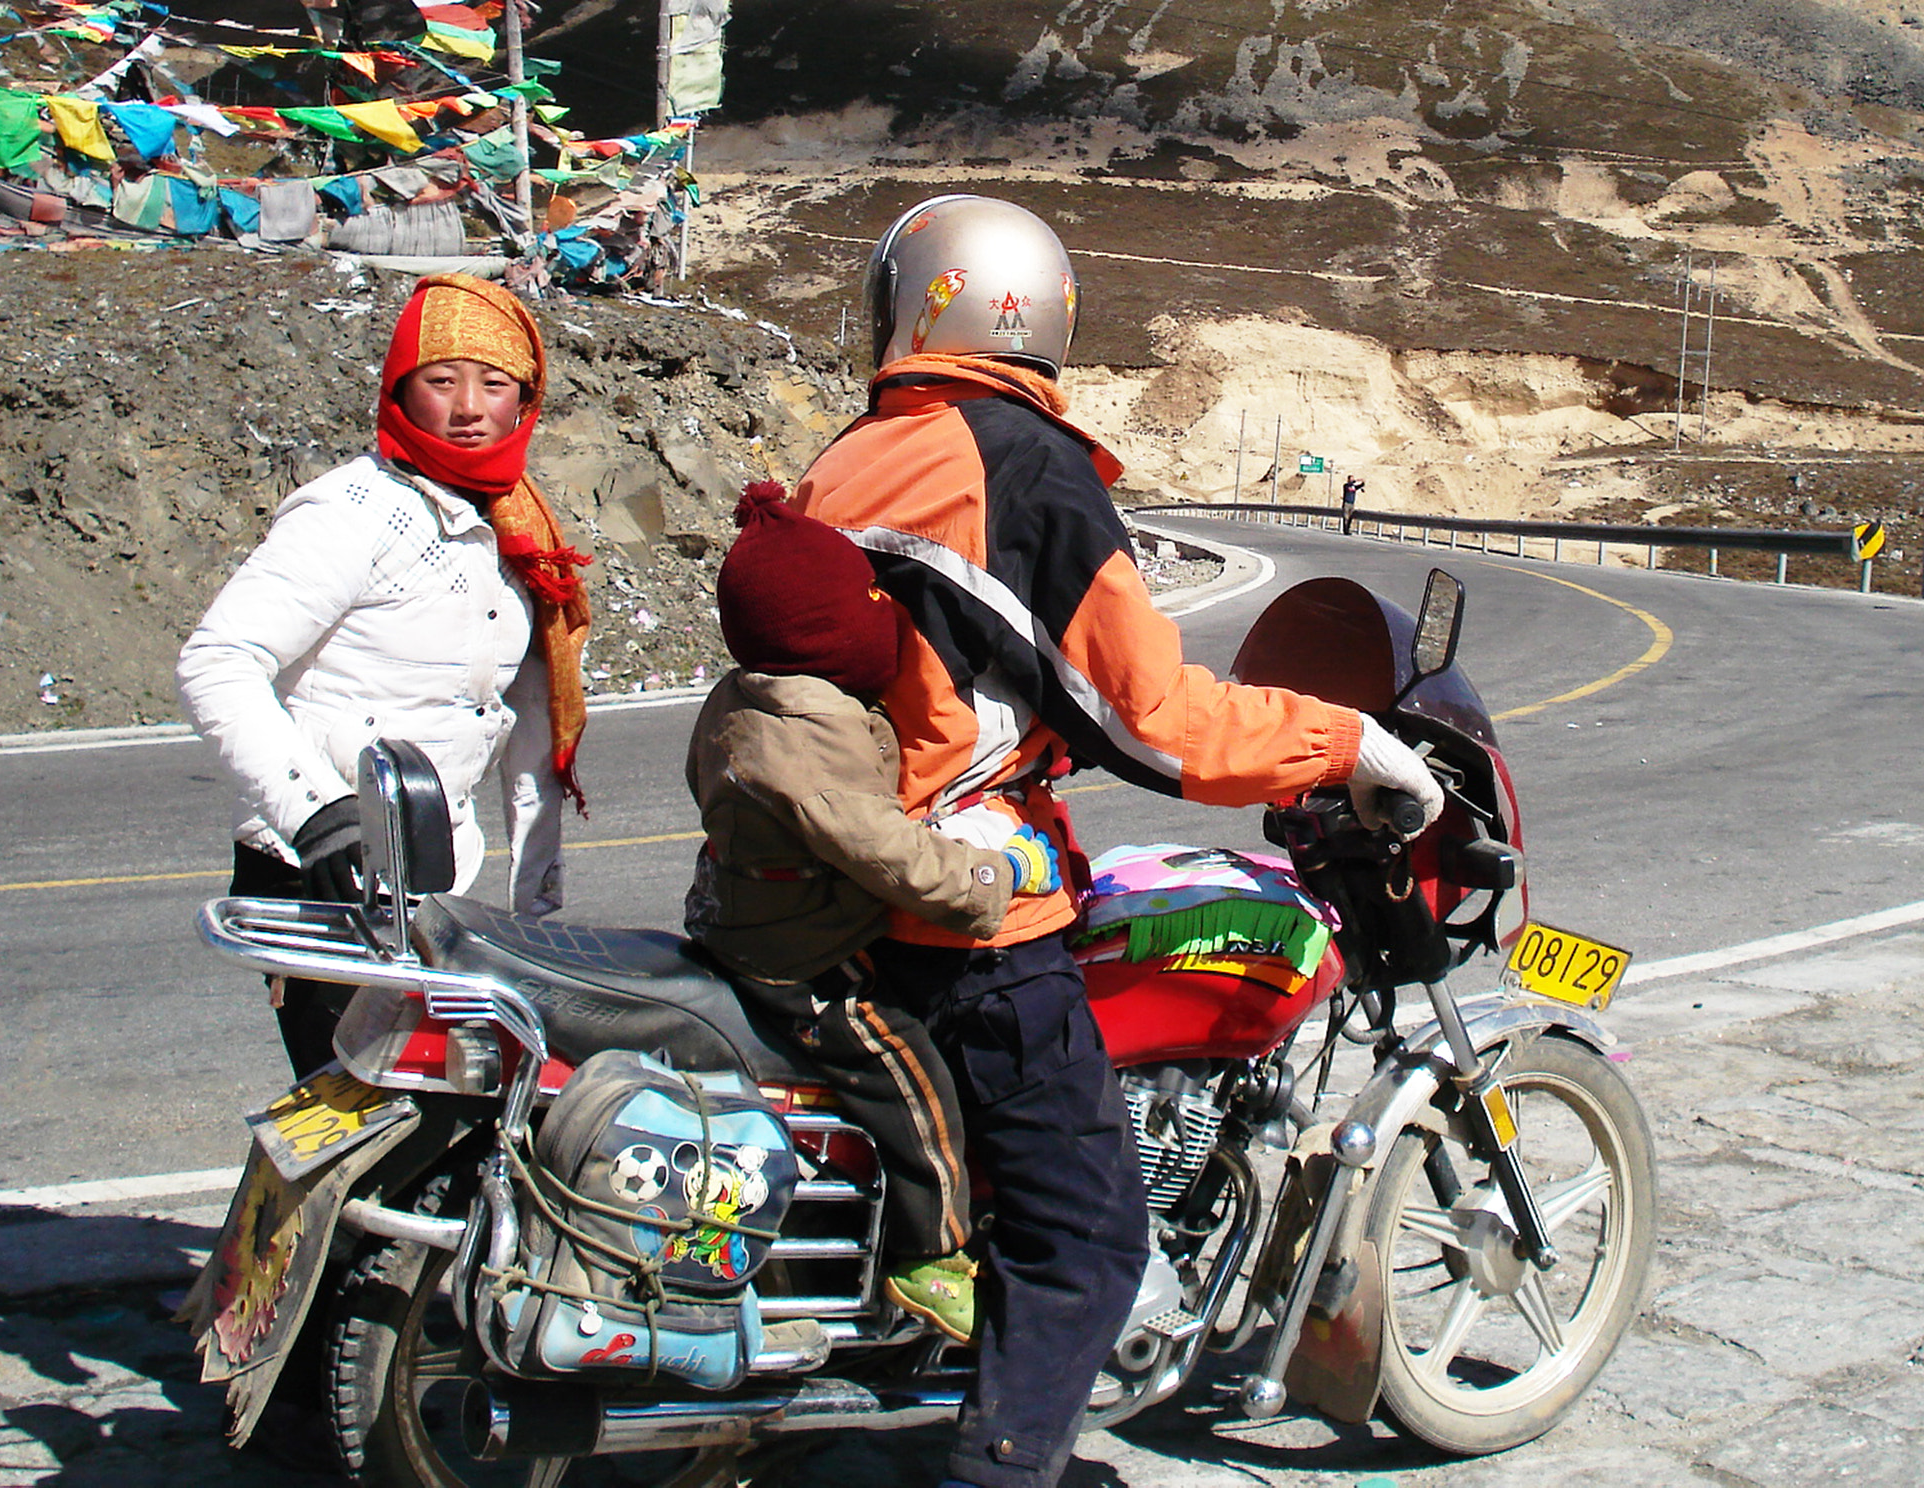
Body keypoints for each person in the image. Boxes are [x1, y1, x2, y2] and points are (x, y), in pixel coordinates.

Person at [792, 194, 1443, 1488]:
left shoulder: (857, 453)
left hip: (822, 886)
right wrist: (1349, 746)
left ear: (916, 304)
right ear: (1037, 315)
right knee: (1090, 1235)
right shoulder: (1020, 466)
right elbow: (1150, 722)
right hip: (955, 910)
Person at [178, 272, 592, 1079]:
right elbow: (219, 660)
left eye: (493, 383)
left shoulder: (515, 524)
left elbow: (525, 722)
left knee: (453, 1122)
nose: (469, 406)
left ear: (525, 401)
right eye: (441, 382)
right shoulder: (354, 513)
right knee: (349, 1120)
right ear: (401, 390)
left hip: (441, 880)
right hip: (325, 872)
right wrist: (319, 813)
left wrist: (534, 908)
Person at [684, 480, 1062, 1343]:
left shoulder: (749, 699)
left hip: (742, 920)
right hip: (802, 961)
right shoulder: (808, 732)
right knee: (910, 1077)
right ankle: (930, 1255)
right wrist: (996, 872)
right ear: (821, 633)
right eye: (867, 603)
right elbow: (883, 851)